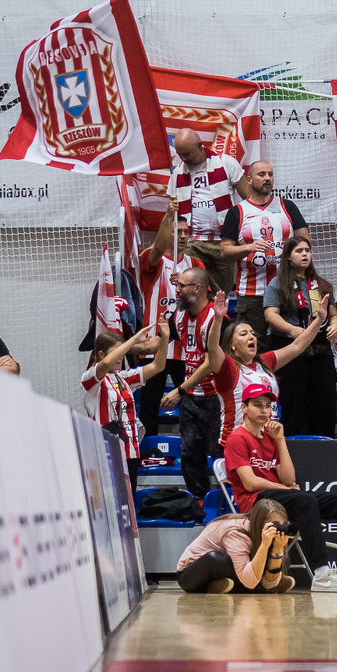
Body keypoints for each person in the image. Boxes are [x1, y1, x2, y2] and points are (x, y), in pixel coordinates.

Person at [224, 382, 337, 592]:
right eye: (257, 405)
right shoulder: (237, 438)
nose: (264, 411)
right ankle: (322, 574)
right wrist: (286, 489)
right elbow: (250, 483)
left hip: (277, 499)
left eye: (267, 406)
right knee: (305, 499)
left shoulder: (271, 439)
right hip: (256, 504)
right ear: (244, 408)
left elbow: (288, 478)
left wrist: (280, 441)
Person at [213, 306, 329, 446]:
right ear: (232, 344)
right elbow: (213, 349)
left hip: (269, 444)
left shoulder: (265, 362)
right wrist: (218, 320)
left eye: (252, 333)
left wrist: (319, 319)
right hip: (237, 444)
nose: (251, 337)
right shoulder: (227, 368)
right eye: (244, 334)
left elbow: (297, 346)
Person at [262, 238, 337, 438]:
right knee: (294, 400)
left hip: (319, 348)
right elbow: (270, 315)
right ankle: (295, 445)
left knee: (325, 400)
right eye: (299, 251)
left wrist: (335, 325)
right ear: (289, 257)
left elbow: (333, 315)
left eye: (307, 250)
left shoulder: (321, 284)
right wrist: (292, 329)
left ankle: (324, 442)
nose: (305, 254)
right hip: (289, 348)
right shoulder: (277, 283)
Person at [220, 159, 310, 333]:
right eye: (261, 174)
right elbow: (224, 251)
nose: (267, 178)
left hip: (287, 289)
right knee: (254, 344)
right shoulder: (237, 212)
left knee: (288, 341)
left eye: (270, 174)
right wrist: (249, 248)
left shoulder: (287, 206)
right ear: (249, 179)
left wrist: (291, 251)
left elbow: (305, 240)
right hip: (252, 293)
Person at [160, 269, 227, 502]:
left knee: (219, 453)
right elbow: (157, 343)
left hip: (215, 398)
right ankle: (199, 502)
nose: (177, 290)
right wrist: (127, 346)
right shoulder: (178, 316)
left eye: (182, 286)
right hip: (190, 398)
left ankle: (228, 502)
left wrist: (179, 390)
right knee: (189, 454)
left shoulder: (217, 318)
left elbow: (210, 364)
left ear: (197, 288)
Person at [82, 321, 168, 486]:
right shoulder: (91, 378)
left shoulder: (124, 377)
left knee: (130, 499)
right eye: (117, 352)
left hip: (130, 450)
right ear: (101, 354)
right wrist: (134, 339)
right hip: (107, 451)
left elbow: (158, 366)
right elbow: (104, 365)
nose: (121, 357)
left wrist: (165, 337)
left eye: (123, 352)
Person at [138, 209, 200, 437]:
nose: (182, 236)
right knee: (150, 402)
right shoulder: (151, 258)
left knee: (191, 403)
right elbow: (156, 250)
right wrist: (168, 213)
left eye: (186, 232)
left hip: (185, 347)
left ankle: (191, 447)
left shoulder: (195, 265)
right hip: (154, 346)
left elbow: (202, 303)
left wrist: (186, 287)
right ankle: (150, 447)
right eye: (177, 231)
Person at [171, 129, 252, 294]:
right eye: (180, 154)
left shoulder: (226, 163)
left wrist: (245, 233)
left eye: (186, 153)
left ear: (199, 145)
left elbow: (250, 200)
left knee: (220, 292)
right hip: (191, 242)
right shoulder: (177, 173)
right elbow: (172, 213)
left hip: (222, 242)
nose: (183, 158)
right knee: (189, 291)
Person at [176, 498, 296, 594]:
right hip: (190, 575)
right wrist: (264, 545)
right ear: (259, 522)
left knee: (283, 559)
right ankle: (260, 588)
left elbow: (265, 577)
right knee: (217, 559)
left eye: (283, 524)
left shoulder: (259, 531)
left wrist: (278, 549)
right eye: (275, 525)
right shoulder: (236, 533)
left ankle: (218, 586)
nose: (279, 529)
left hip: (233, 571)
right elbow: (250, 581)